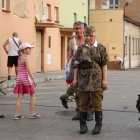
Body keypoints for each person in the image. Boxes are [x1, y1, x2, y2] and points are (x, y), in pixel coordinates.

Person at [72, 26, 109, 135]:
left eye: (91, 35)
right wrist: (75, 79)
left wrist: (105, 79)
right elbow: (75, 64)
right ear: (85, 36)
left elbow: (104, 65)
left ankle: (98, 125)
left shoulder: (101, 48)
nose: (89, 37)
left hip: (97, 80)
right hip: (83, 80)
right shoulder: (80, 49)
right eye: (87, 35)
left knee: (97, 103)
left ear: (95, 35)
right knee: (83, 103)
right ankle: (83, 125)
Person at [60, 21, 94, 121]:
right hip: (75, 68)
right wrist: (68, 68)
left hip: (87, 68)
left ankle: (90, 112)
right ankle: (79, 112)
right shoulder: (71, 41)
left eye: (80, 28)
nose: (78, 30)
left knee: (89, 90)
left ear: (83, 29)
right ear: (74, 29)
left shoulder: (87, 39)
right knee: (77, 91)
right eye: (76, 28)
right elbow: (69, 55)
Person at [13, 43, 40, 120]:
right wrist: (34, 80)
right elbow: (28, 70)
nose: (30, 50)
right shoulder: (25, 58)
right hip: (25, 79)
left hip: (19, 79)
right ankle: (32, 113)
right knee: (33, 94)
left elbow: (18, 69)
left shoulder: (20, 58)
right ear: (25, 50)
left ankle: (16, 114)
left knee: (19, 97)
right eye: (29, 48)